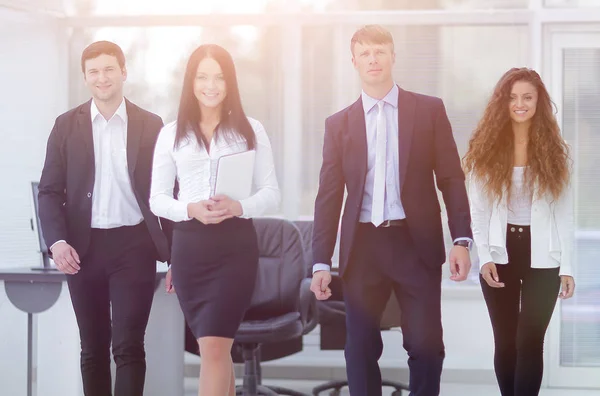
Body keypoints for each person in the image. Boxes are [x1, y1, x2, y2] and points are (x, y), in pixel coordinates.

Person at [310, 25, 473, 396]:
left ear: (393, 57)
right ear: (354, 62)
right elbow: (329, 196)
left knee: (427, 346)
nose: (373, 59)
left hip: (415, 244)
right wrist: (321, 261)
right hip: (363, 248)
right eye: (365, 53)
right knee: (361, 349)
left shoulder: (428, 110)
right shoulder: (338, 124)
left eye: (380, 51)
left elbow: (450, 177)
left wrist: (461, 239)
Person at [37, 41, 170, 396]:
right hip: (83, 248)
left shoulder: (151, 125)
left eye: (109, 69)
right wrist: (57, 240)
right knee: (92, 349)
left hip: (134, 246)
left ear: (124, 72)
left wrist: (177, 256)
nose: (102, 77)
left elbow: (168, 194)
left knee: (128, 347)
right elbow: (49, 191)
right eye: (93, 71)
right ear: (85, 78)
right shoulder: (66, 125)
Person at [149, 44, 280, 396]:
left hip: (234, 248)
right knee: (215, 350)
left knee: (215, 348)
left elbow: (271, 193)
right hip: (190, 248)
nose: (211, 85)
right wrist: (189, 208)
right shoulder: (171, 135)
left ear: (230, 82)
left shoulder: (251, 130)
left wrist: (239, 206)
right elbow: (157, 199)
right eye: (203, 77)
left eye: (219, 77)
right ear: (191, 82)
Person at [463, 67, 575, 396]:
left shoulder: (559, 151)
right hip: (502, 250)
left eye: (527, 97)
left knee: (529, 341)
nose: (520, 104)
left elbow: (564, 212)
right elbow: (479, 212)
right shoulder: (486, 150)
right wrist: (484, 258)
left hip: (545, 254)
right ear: (502, 103)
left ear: (539, 102)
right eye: (512, 98)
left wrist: (567, 266)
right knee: (507, 340)